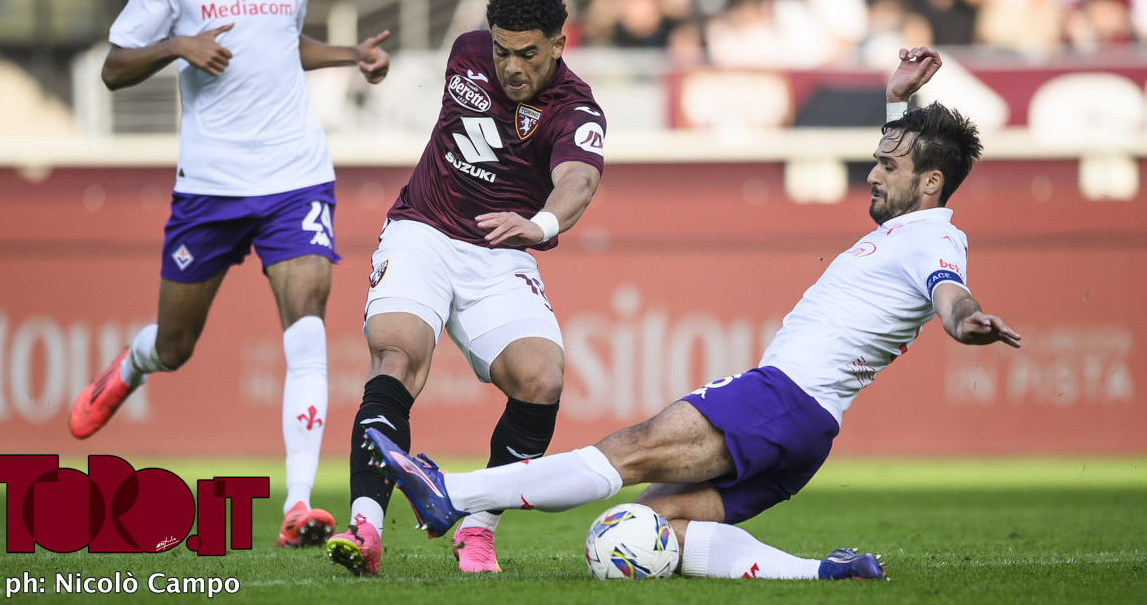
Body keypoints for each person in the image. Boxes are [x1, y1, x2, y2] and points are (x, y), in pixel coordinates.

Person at [363, 47, 1022, 582]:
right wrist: (899, 99)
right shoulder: (913, 222)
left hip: (781, 400)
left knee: (626, 453)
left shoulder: (933, 238)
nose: (873, 176)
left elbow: (949, 291)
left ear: (930, 183)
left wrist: (965, 319)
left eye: (886, 167)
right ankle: (826, 575)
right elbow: (914, 167)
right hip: (809, 435)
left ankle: (455, 493)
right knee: (659, 525)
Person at [66, 0, 392, 550]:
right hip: (210, 187)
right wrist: (177, 44)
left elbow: (283, 47)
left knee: (307, 326)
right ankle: (133, 365)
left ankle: (300, 504)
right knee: (177, 346)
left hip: (295, 177)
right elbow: (114, 67)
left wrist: (350, 56)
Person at [326, 0, 606, 576]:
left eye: (527, 53)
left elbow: (578, 180)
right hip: (421, 230)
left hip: (502, 249)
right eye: (503, 51)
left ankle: (476, 531)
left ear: (559, 45)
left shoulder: (577, 111)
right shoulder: (467, 51)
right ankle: (366, 527)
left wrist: (541, 222)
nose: (510, 66)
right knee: (397, 356)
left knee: (542, 378)